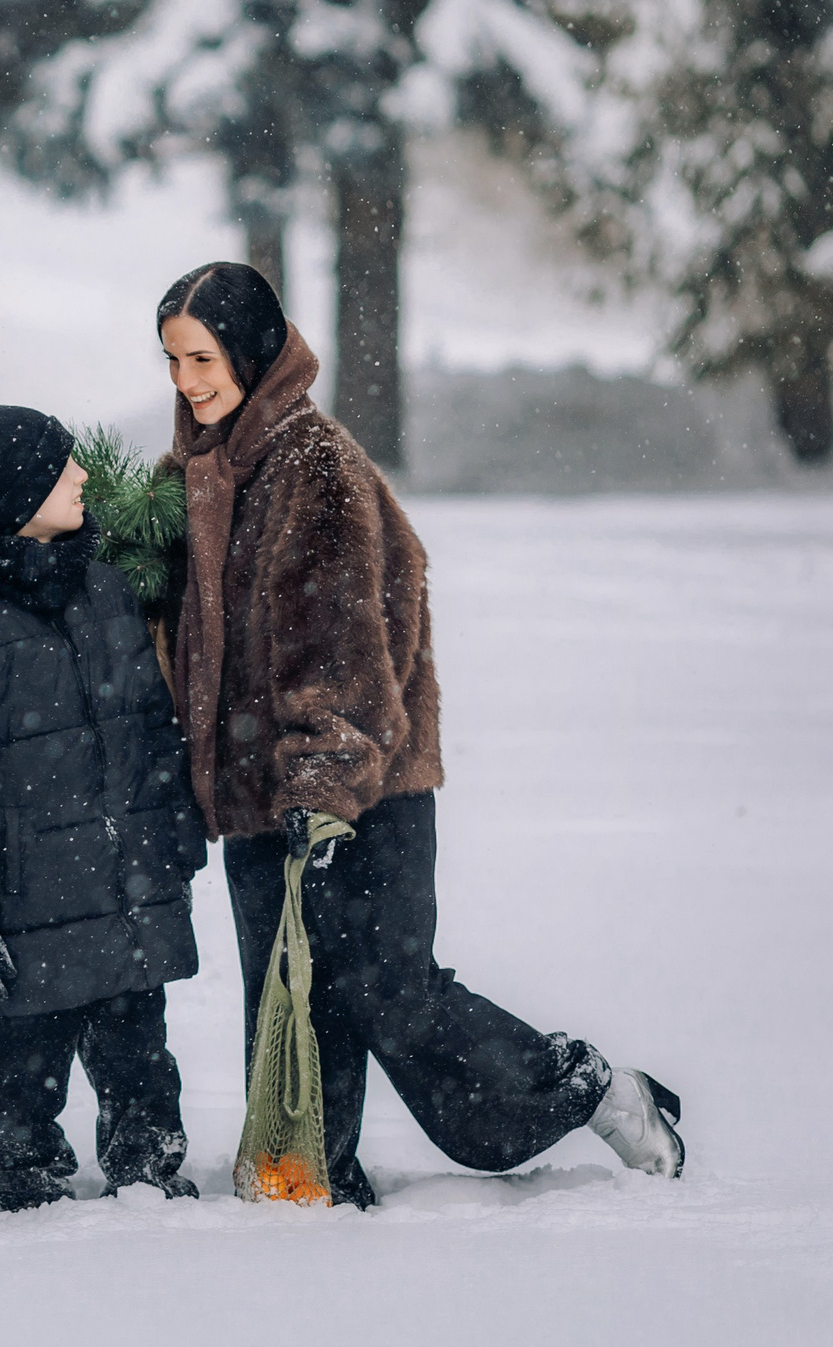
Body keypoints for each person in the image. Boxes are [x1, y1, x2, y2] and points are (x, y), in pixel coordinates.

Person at [157, 260, 686, 1207]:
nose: (189, 381)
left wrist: (319, 794)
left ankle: (589, 1089)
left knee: (389, 991)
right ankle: (308, 1172)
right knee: (287, 997)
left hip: (363, 788)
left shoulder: (315, 467)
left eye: (203, 357)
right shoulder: (197, 472)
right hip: (259, 792)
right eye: (173, 361)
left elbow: (348, 647)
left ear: (253, 350)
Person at [0, 404, 207, 1211]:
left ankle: (149, 1164)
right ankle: (24, 1173)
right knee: (25, 1055)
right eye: (61, 467)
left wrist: (175, 832)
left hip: (126, 881)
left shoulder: (102, 585)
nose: (82, 477)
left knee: (141, 1044)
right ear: (14, 495)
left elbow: (150, 721)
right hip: (26, 901)